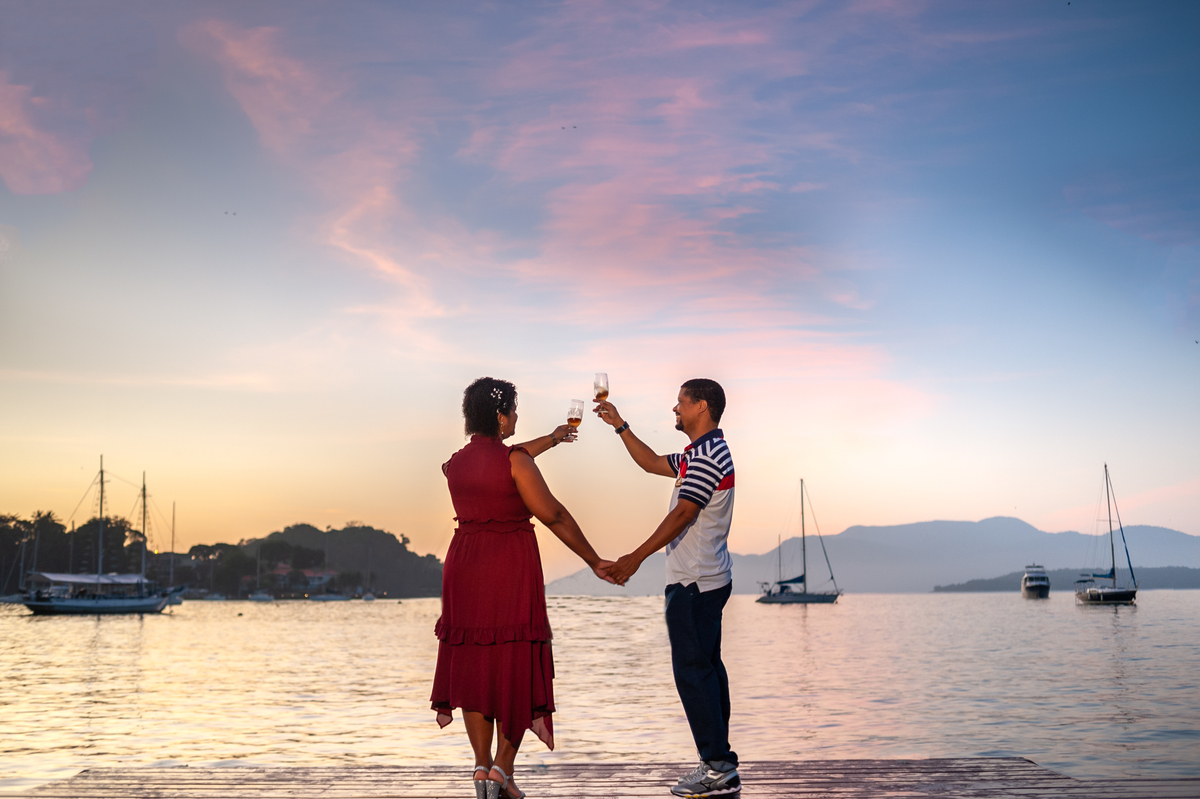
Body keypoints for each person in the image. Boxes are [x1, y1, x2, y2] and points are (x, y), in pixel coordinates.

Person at [432, 377, 615, 799]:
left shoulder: (454, 464)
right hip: (508, 569)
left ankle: (482, 770)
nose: (516, 418)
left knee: (476, 665)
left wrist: (550, 439)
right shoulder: (516, 461)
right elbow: (552, 514)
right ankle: (504, 769)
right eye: (513, 412)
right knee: (514, 664)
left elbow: (501, 458)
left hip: (464, 569)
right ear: (500, 416)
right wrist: (594, 560)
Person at [595, 378, 741, 798]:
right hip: (704, 579)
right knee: (708, 672)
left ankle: (716, 767)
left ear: (702, 406)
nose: (674, 409)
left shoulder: (709, 455)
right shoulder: (698, 453)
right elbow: (650, 463)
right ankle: (720, 762)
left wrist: (633, 558)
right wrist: (620, 426)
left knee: (694, 674)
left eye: (681, 402)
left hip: (694, 583)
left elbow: (683, 515)